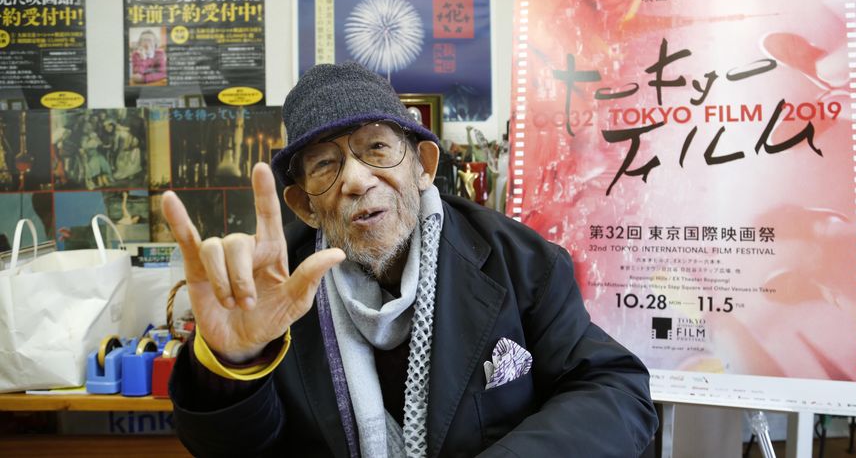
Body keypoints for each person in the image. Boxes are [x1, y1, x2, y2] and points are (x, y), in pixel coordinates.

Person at [162, 61, 658, 457]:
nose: (357, 180)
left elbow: (614, 390)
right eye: (326, 165)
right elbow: (236, 447)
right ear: (304, 205)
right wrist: (233, 361)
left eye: (376, 148)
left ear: (423, 167)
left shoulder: (522, 261)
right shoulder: (276, 287)